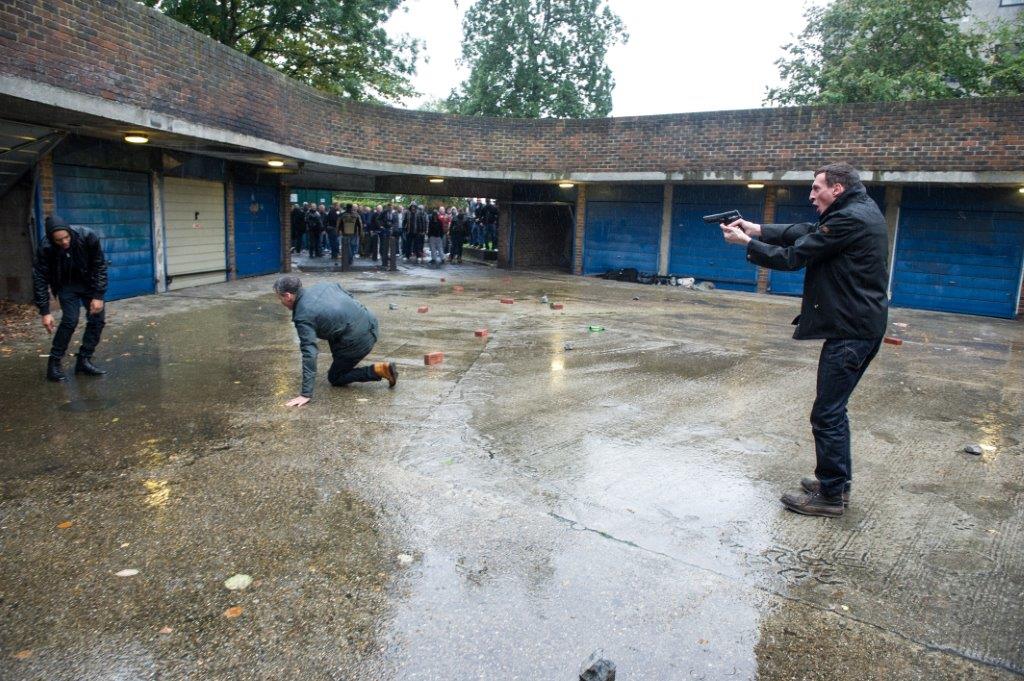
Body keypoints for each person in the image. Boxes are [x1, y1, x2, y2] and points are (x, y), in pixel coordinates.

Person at [720, 162, 889, 518]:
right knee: (833, 411)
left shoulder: (849, 219)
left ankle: (830, 497)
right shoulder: (857, 210)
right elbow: (807, 231)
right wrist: (760, 228)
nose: (812, 196)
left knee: (826, 414)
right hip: (859, 327)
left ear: (837, 189)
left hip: (851, 332)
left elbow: (796, 255)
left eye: (816, 189)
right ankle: (834, 484)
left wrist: (746, 242)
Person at [274, 276, 397, 407]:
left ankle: (379, 370)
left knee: (335, 377)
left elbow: (309, 352)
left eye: (280, 298)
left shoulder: (303, 315)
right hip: (370, 321)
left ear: (288, 296)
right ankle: (345, 358)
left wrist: (305, 394)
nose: (281, 302)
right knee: (332, 331)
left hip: (360, 340)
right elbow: (349, 297)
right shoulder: (325, 285)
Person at [32, 215, 108, 381]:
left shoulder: (88, 236)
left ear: (70, 232)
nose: (64, 242)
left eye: (66, 237)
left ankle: (84, 360)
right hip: (66, 286)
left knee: (97, 320)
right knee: (70, 320)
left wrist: (98, 295)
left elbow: (99, 265)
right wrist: (45, 311)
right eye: (59, 240)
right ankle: (54, 362)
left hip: (89, 283)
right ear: (52, 239)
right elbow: (39, 278)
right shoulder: (46, 247)